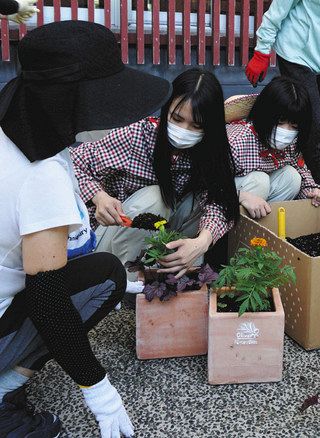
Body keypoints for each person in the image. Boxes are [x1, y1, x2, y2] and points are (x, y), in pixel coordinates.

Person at [0, 21, 171, 437]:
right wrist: (100, 392)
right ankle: (4, 397)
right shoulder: (42, 176)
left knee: (101, 270)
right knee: (103, 277)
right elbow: (49, 302)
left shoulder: (12, 119)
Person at [71, 68, 240, 280]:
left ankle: (171, 267)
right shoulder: (137, 136)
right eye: (177, 119)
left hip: (159, 237)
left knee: (199, 202)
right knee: (156, 198)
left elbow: (220, 202)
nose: (184, 130)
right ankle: (120, 281)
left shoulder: (211, 150)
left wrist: (202, 242)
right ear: (166, 109)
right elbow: (72, 162)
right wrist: (99, 196)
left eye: (196, 126)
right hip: (112, 237)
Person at [245, 0, 320, 184]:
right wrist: (262, 52)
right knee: (317, 130)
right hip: (295, 51)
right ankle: (313, 193)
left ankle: (292, 179)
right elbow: (275, 14)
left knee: (305, 129)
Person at [227, 76, 320, 219]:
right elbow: (207, 186)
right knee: (260, 181)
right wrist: (241, 196)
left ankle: (262, 224)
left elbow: (301, 170)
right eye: (280, 121)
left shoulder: (292, 142)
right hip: (224, 200)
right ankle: (232, 232)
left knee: (292, 177)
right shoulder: (237, 140)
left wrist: (313, 191)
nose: (286, 131)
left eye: (294, 126)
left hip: (254, 199)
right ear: (265, 114)